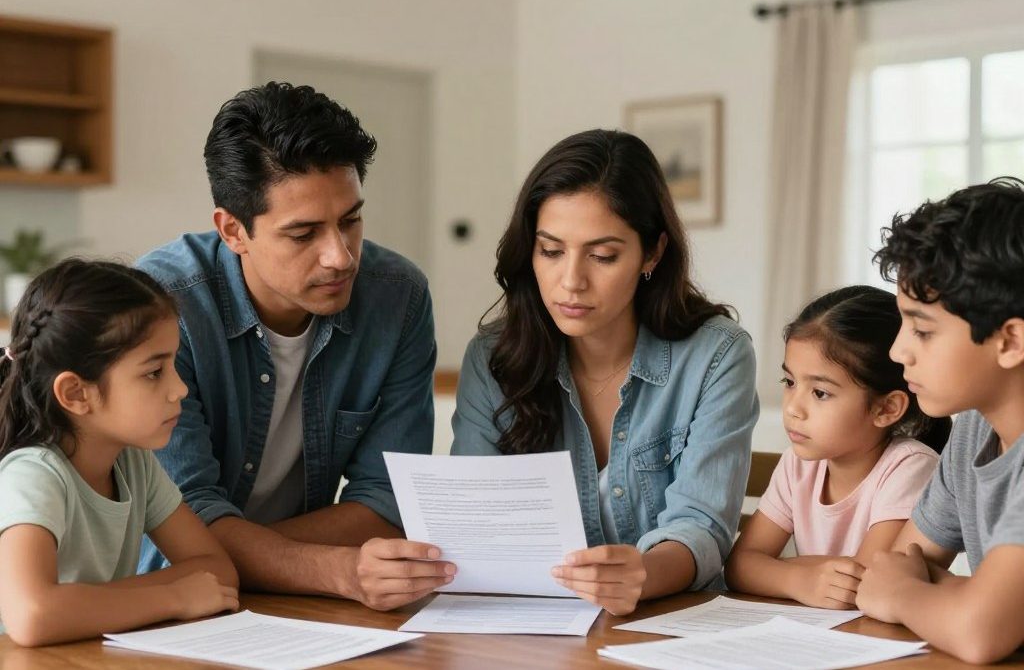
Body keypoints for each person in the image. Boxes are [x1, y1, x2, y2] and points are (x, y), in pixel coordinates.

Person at [136, 82, 451, 611]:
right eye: (304, 234)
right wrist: (336, 570)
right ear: (233, 230)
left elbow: (388, 498)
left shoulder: (398, 297)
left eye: (350, 220)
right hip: (164, 600)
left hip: (291, 606)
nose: (340, 257)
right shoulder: (159, 306)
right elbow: (181, 520)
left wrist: (256, 552)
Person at [450, 129, 759, 615]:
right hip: (532, 626)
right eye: (550, 251)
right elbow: (475, 519)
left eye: (603, 256)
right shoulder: (492, 357)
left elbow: (701, 526)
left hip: (671, 624)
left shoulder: (716, 356)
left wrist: (642, 576)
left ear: (652, 254)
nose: (570, 281)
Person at [0, 259, 238, 647]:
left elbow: (216, 571)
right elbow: (32, 615)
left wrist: (95, 605)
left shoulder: (133, 463)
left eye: (172, 366)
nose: (179, 389)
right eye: (153, 373)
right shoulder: (33, 475)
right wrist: (174, 597)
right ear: (76, 394)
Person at [855, 178, 1024, 664]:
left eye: (922, 330)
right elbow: (899, 564)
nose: (896, 350)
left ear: (1010, 341)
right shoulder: (975, 425)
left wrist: (912, 597)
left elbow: (976, 632)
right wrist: (960, 595)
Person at [724, 285, 949, 608]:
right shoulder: (798, 464)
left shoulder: (909, 468)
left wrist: (780, 571)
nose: (793, 408)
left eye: (820, 393)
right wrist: (798, 580)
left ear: (886, 409)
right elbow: (739, 566)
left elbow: (861, 584)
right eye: (789, 382)